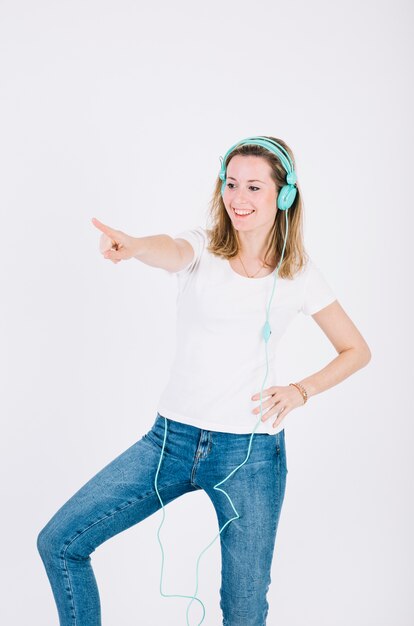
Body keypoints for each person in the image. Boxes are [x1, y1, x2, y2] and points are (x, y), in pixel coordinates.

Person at [37, 135, 372, 626]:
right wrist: (133, 246)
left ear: (283, 195)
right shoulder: (202, 247)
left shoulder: (298, 274)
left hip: (251, 456)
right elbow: (167, 250)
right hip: (169, 442)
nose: (238, 197)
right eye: (231, 184)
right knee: (60, 542)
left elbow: (356, 350)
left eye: (254, 187)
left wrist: (302, 390)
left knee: (243, 610)